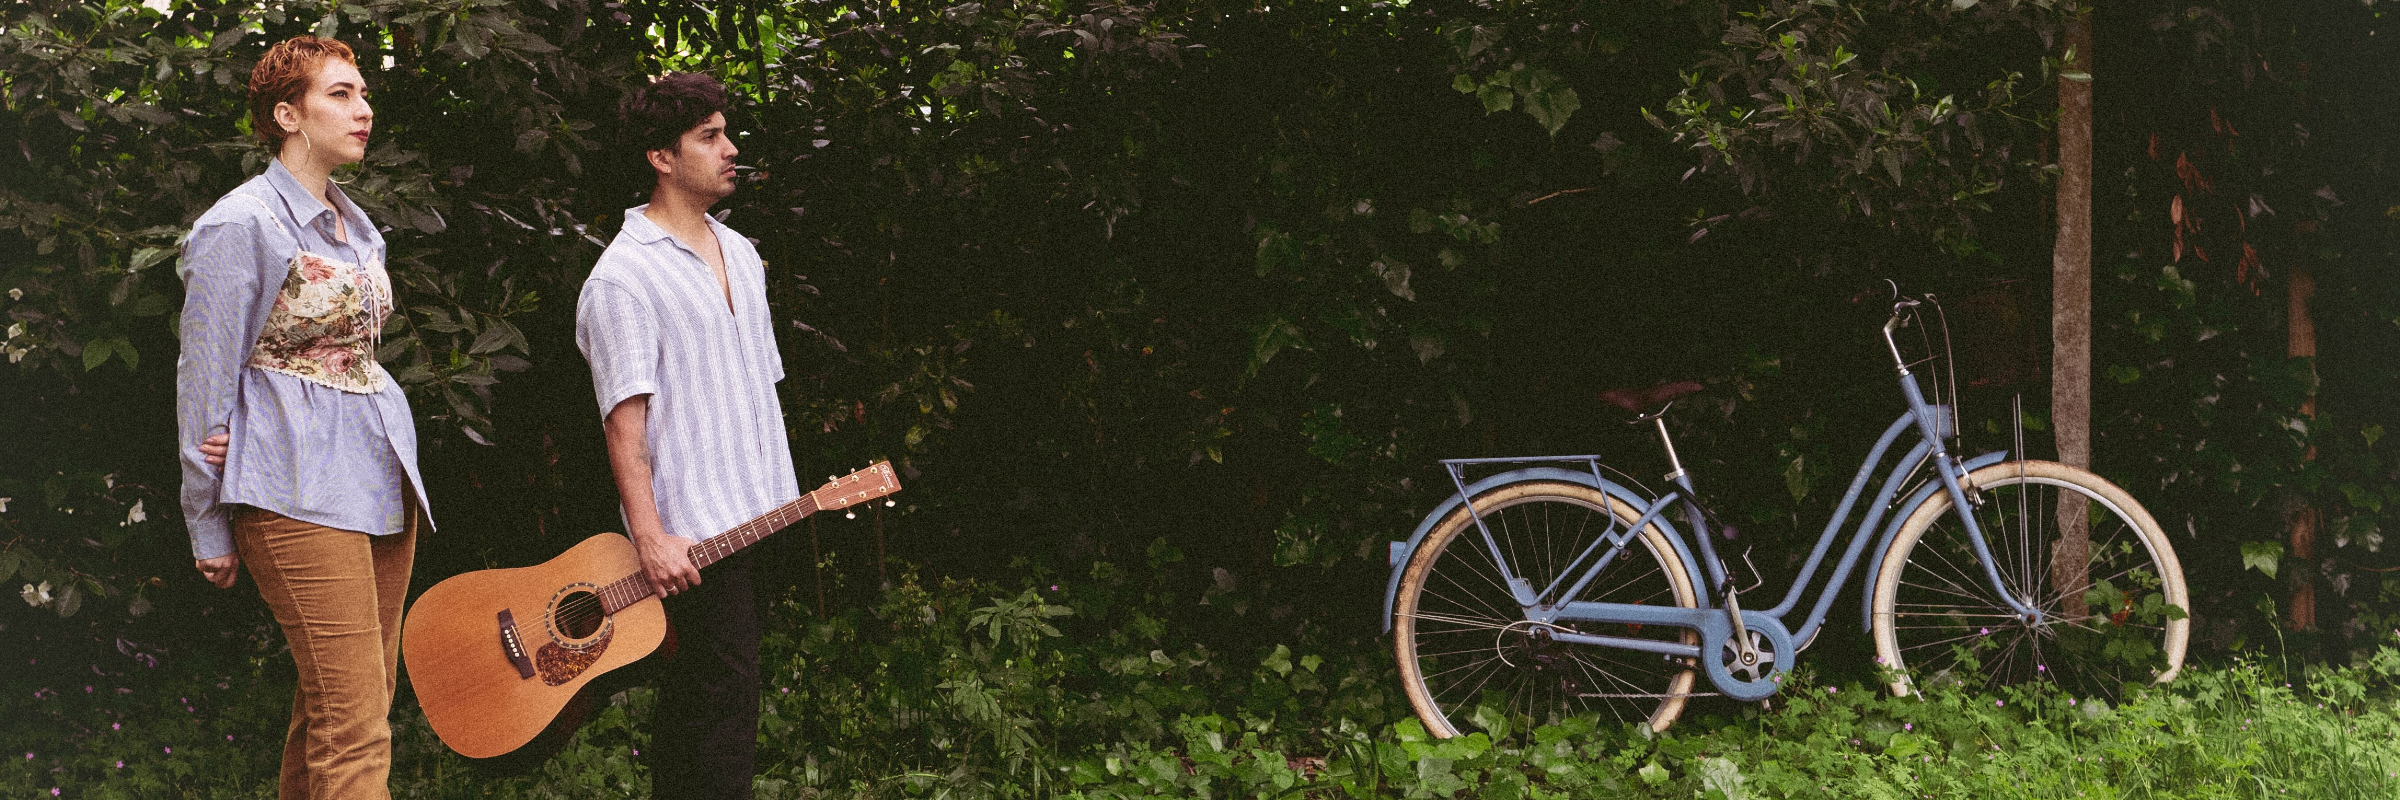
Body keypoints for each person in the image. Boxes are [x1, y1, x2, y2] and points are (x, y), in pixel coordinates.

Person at [175, 35, 433, 800]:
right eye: (341, 95)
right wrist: (205, 517)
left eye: (362, 93)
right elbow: (205, 376)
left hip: (378, 482)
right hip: (290, 484)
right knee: (356, 725)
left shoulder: (356, 227)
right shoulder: (241, 224)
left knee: (341, 706)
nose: (364, 109)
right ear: (287, 114)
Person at [574, 72, 797, 800]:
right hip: (689, 536)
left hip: (755, 518)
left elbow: (757, 392)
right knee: (719, 705)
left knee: (712, 702)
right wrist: (652, 536)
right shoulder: (623, 278)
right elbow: (623, 423)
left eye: (725, 132)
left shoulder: (741, 254)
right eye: (709, 137)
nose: (730, 149)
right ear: (660, 158)